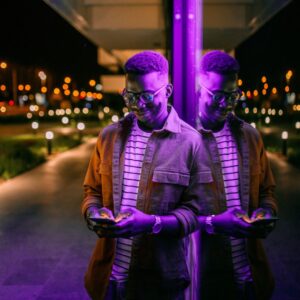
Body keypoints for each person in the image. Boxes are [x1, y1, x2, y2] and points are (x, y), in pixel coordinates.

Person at [81, 51, 203, 300]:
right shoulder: (109, 136)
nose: (138, 104)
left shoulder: (191, 142)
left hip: (162, 282)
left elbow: (197, 210)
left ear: (167, 91)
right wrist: (92, 212)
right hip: (109, 279)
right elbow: (91, 191)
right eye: (130, 96)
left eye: (147, 95)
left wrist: (151, 223)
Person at [190, 50, 278, 300]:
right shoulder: (180, 140)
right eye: (217, 94)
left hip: (248, 277)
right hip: (201, 278)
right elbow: (163, 213)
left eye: (233, 95)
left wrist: (266, 211)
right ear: (198, 88)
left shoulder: (250, 136)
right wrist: (214, 224)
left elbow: (266, 191)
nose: (225, 103)